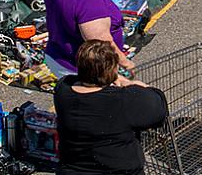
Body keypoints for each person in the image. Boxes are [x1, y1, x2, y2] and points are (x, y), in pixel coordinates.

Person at [54, 40, 168, 175]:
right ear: (113, 69)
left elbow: (73, 80)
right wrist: (130, 83)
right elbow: (159, 108)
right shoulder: (123, 100)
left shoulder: (63, 90)